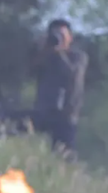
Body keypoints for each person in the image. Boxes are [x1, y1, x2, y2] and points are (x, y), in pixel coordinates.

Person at [31, 19, 89, 154]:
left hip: (66, 115)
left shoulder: (78, 57)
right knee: (37, 152)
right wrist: (44, 50)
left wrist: (59, 52)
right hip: (44, 112)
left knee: (64, 154)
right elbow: (30, 71)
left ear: (70, 37)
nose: (58, 39)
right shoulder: (46, 56)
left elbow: (71, 74)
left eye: (62, 36)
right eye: (55, 36)